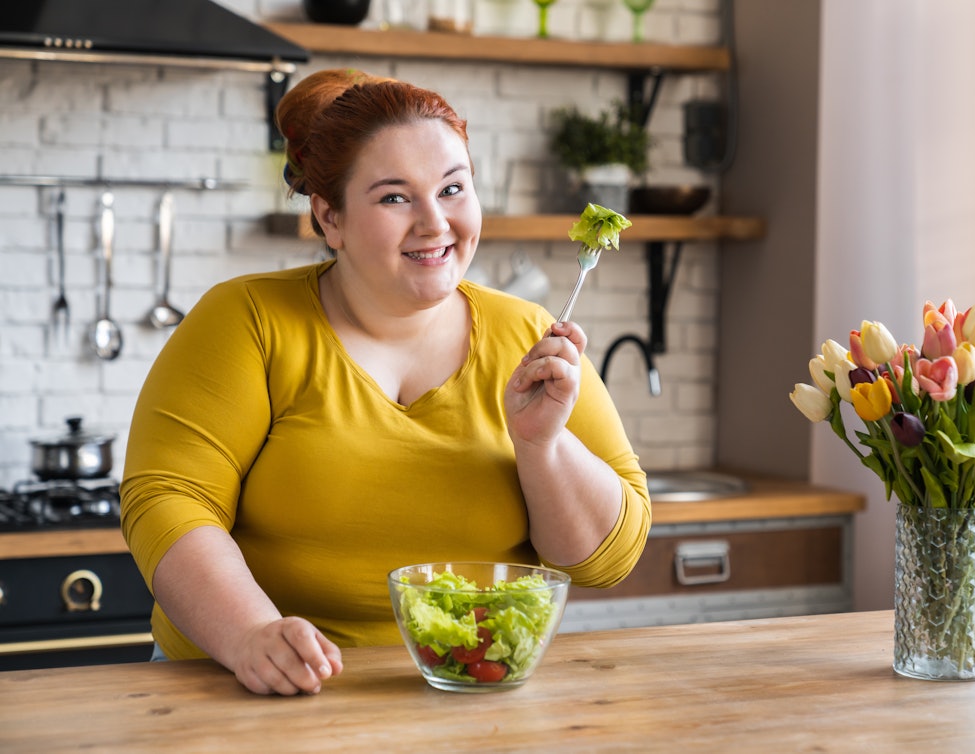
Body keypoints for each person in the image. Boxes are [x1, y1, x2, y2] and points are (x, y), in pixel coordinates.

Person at [119, 69, 651, 697]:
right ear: (330, 217)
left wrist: (544, 448)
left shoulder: (531, 336)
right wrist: (250, 636)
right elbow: (168, 500)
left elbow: (605, 560)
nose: (435, 224)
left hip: (467, 690)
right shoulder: (248, 322)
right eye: (395, 197)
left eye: (453, 189)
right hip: (242, 690)